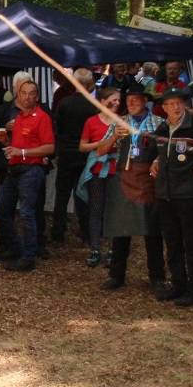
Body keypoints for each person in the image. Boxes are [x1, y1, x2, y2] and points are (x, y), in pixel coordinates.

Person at [150, 87, 193, 307]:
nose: (176, 107)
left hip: (188, 193)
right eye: (171, 103)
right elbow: (162, 153)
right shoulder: (162, 128)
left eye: (180, 102)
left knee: (192, 243)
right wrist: (156, 161)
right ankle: (178, 283)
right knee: (172, 241)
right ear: (164, 107)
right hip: (165, 193)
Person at [99, 84, 167, 294]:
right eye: (128, 100)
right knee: (121, 228)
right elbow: (100, 151)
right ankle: (116, 275)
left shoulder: (159, 123)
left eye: (135, 100)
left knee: (152, 230)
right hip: (124, 178)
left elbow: (167, 150)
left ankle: (157, 278)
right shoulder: (119, 122)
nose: (131, 104)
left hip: (148, 180)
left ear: (145, 101)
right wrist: (114, 137)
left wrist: (158, 160)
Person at [0, 80, 55, 272]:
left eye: (31, 94)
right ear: (18, 95)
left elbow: (50, 147)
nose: (27, 97)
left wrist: (21, 152)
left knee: (27, 213)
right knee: (1, 208)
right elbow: (16, 146)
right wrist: (6, 141)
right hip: (14, 169)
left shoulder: (42, 117)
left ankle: (28, 257)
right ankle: (16, 248)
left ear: (37, 97)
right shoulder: (19, 117)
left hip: (31, 169)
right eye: (23, 93)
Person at [51, 69, 98, 246]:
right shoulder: (93, 105)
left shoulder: (64, 103)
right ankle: (86, 234)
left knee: (61, 197)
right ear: (89, 83)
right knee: (83, 196)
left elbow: (57, 129)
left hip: (66, 154)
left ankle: (58, 234)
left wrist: (58, 151)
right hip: (85, 155)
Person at [77, 87, 123, 267]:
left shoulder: (121, 121)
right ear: (103, 101)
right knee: (96, 209)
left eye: (118, 100)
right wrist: (101, 144)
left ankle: (113, 249)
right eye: (114, 99)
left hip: (115, 169)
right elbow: (82, 146)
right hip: (97, 169)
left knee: (113, 210)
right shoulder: (91, 122)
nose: (117, 103)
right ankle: (95, 248)